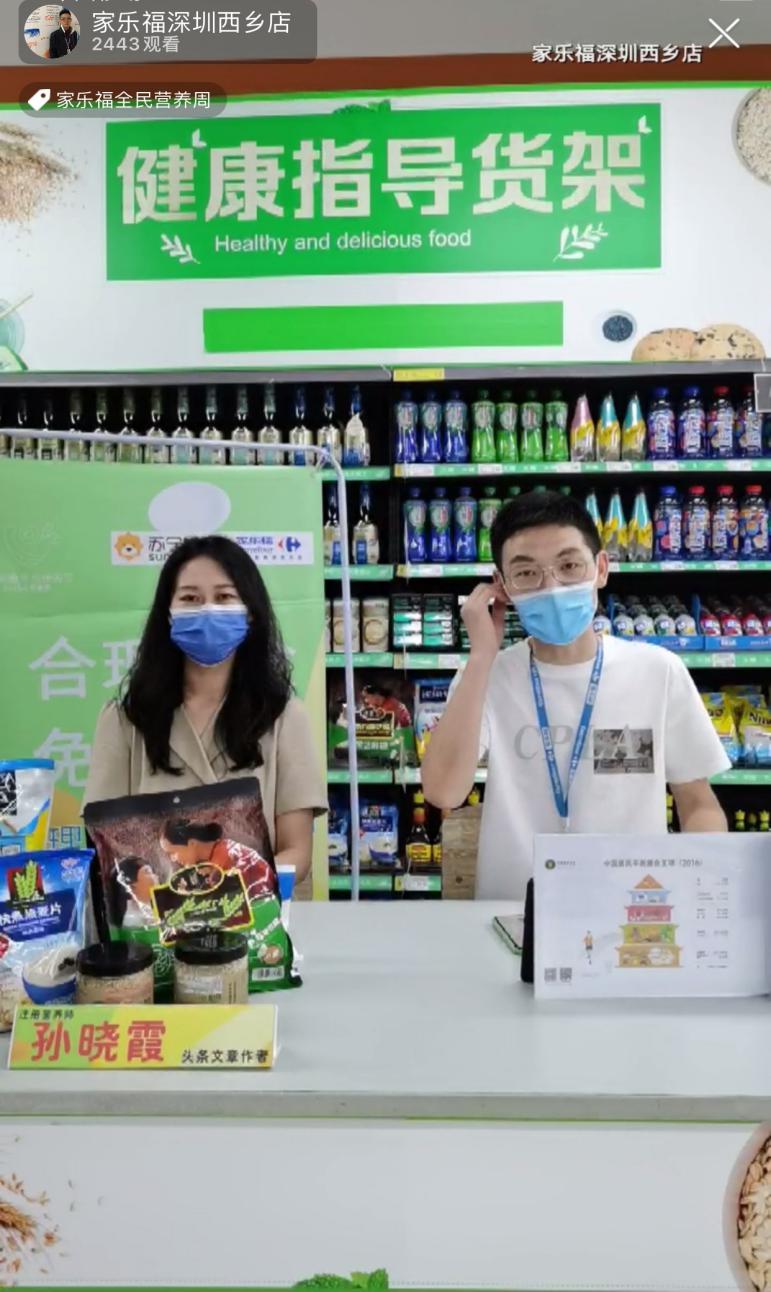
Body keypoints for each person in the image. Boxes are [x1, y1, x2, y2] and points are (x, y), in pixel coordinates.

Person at [421, 491, 729, 901]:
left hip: (632, 914)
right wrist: (480, 657)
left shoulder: (657, 671)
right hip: (513, 912)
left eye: (569, 566)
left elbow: (698, 804)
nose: (551, 587)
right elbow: (443, 791)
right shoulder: (486, 676)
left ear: (600, 569)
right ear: (503, 586)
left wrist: (702, 891)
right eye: (527, 573)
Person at [83, 535, 326, 884]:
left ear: (251, 613)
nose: (207, 610)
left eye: (224, 597)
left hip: (253, 909)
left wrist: (226, 887)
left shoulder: (284, 717)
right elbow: (105, 849)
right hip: (156, 912)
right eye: (190, 598)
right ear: (168, 614)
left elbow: (298, 852)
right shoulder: (125, 720)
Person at [160, 817, 275, 902]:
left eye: (172, 853)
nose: (173, 859)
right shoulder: (220, 851)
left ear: (192, 843)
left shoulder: (226, 859)